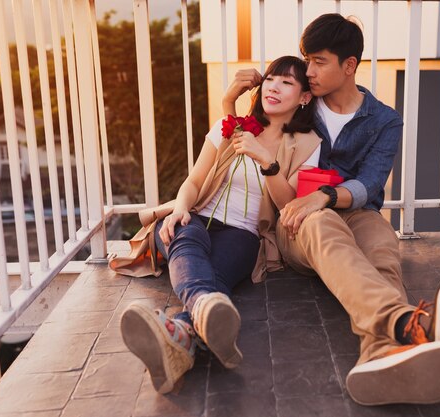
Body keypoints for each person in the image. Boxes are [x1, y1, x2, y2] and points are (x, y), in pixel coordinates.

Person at [224, 14, 440, 406]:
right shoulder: (302, 104)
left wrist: (325, 195)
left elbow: (371, 183)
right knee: (321, 225)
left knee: (381, 247)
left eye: (319, 61)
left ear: (349, 65)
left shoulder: (384, 120)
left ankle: (382, 354)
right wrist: (231, 99)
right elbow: (247, 127)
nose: (308, 71)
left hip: (355, 212)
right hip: (298, 222)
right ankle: (410, 323)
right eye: (306, 60)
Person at [119, 56, 321, 394]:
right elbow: (194, 181)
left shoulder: (308, 144)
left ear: (304, 97)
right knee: (188, 239)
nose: (274, 86)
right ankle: (201, 307)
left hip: (243, 234)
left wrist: (266, 160)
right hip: (194, 217)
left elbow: (290, 206)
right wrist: (179, 209)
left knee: (216, 276)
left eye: (286, 82)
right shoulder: (230, 127)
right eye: (270, 78)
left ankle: (180, 336)